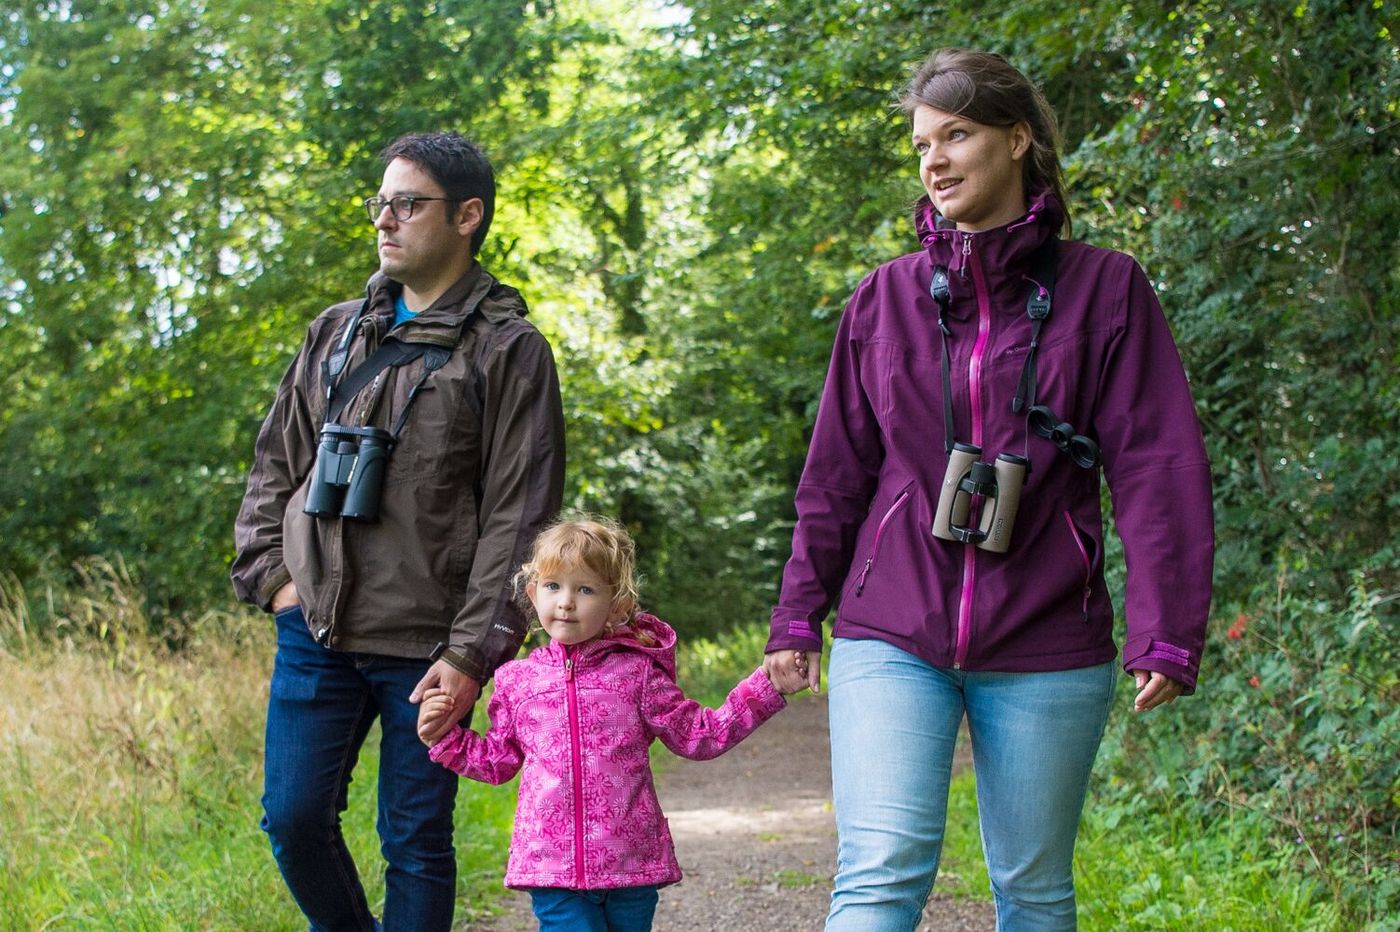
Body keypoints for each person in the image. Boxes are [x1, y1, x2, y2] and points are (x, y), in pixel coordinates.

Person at [762, 48, 1214, 931]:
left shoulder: (1106, 289)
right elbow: (835, 477)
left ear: (1018, 140)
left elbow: (1158, 467)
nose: (933, 160)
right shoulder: (884, 300)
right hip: (892, 625)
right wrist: (796, 614)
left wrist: (1167, 630)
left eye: (956, 134)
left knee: (1036, 892)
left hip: (1049, 631)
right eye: (922, 143)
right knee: (881, 873)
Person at [230, 131, 566, 931]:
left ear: (466, 216)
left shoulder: (508, 350)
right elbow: (275, 465)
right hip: (315, 627)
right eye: (381, 202)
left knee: (414, 838)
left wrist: (471, 651)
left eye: (408, 204)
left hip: (429, 647)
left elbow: (520, 517)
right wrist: (274, 578)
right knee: (293, 818)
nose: (386, 219)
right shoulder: (336, 331)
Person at [418, 516, 796, 931]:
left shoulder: (638, 674)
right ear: (532, 593)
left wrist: (767, 687)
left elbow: (700, 735)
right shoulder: (517, 681)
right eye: (552, 586)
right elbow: (498, 761)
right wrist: (446, 738)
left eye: (584, 589)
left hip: (631, 861)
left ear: (617, 604)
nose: (565, 602)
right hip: (551, 866)